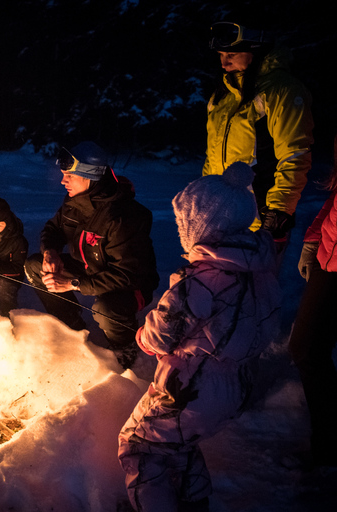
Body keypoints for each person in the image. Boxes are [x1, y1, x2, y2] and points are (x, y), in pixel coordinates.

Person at [118, 162, 282, 512]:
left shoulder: (200, 279)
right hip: (235, 384)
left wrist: (145, 335)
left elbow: (160, 337)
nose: (181, 230)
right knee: (177, 444)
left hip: (191, 389)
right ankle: (195, 504)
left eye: (184, 223)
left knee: (138, 445)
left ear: (203, 226)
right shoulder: (258, 270)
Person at [24, 141, 159, 369]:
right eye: (62, 174)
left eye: (69, 175)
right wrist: (50, 252)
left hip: (130, 285)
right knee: (36, 266)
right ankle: (72, 326)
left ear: (89, 176)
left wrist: (74, 283)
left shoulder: (122, 217)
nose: (62, 181)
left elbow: (126, 275)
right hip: (88, 268)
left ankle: (124, 346)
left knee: (106, 309)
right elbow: (53, 229)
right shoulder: (75, 200)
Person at [204, 19, 314, 261]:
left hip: (261, 218)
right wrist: (205, 197)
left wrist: (279, 211)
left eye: (232, 54)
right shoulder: (222, 97)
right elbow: (211, 157)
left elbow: (295, 154)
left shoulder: (281, 91)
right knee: (218, 293)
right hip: (221, 217)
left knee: (257, 295)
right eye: (221, 55)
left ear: (255, 49)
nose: (224, 62)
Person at [288, 135, 337, 470]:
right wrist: (313, 239)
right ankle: (328, 442)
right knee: (306, 349)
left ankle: (329, 448)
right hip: (327, 260)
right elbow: (333, 202)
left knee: (308, 349)